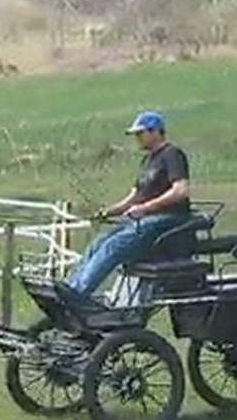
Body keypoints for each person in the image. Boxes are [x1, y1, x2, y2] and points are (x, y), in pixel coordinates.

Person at [54, 110, 193, 311]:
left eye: (141, 133)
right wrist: (109, 211)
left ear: (155, 131)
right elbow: (134, 197)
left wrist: (146, 207)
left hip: (169, 219)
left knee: (115, 245)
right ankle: (69, 287)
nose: (137, 138)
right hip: (145, 220)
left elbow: (180, 190)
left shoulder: (172, 155)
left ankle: (79, 293)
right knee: (100, 242)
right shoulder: (147, 161)